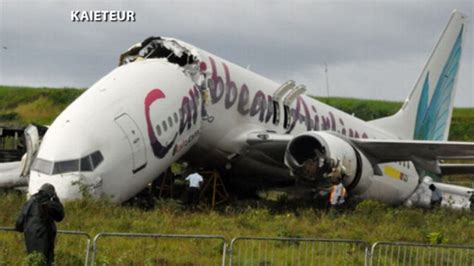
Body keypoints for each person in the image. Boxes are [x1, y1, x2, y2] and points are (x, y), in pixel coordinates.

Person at [15, 183, 65, 265]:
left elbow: (19, 223)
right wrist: (56, 199)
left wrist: (25, 228)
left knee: (33, 260)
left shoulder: (29, 202)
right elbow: (60, 215)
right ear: (51, 194)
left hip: (30, 239)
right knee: (45, 261)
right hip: (45, 239)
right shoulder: (49, 203)